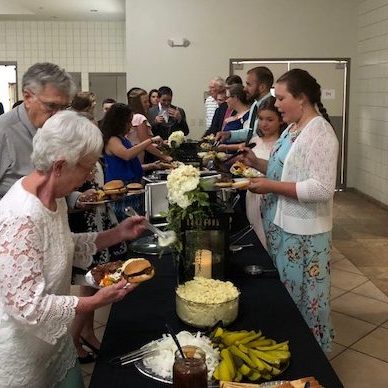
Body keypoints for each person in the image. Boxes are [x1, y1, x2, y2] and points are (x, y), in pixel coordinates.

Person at [0, 110, 147, 387]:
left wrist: (116, 233)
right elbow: (28, 307)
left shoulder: (54, 198)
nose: (90, 175)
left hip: (52, 340)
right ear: (59, 166)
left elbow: (63, 243)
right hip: (22, 356)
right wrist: (96, 301)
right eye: (87, 167)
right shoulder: (21, 217)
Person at [240, 69, 339, 351]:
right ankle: (291, 344)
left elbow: (321, 190)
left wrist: (270, 186)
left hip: (305, 232)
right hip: (284, 225)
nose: (277, 104)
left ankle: (311, 352)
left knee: (307, 296)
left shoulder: (320, 133)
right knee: (288, 293)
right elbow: (282, 171)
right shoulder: (295, 128)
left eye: (281, 98)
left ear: (302, 98)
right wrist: (257, 164)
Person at [0, 62, 76, 200]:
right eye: (51, 106)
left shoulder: (57, 130)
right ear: (28, 97)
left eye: (64, 107)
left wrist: (74, 198)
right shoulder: (4, 132)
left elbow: (52, 183)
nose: (57, 115)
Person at [101, 103, 162, 219]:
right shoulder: (112, 140)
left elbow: (129, 164)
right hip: (120, 194)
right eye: (128, 122)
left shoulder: (122, 138)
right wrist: (150, 141)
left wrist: (152, 166)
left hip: (132, 191)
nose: (130, 126)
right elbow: (127, 155)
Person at [244, 97, 284, 247]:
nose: (264, 124)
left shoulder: (281, 145)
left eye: (269, 119)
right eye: (260, 119)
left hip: (272, 196)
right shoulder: (255, 140)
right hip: (252, 195)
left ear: (280, 120)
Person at [216, 66, 273, 143]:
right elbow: (250, 131)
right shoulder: (255, 105)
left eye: (249, 85)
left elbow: (259, 135)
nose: (245, 89)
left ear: (262, 87)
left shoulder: (272, 106)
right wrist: (229, 134)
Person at [127, 88, 172, 163]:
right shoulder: (139, 118)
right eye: (145, 102)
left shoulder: (132, 116)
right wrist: (165, 156)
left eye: (148, 101)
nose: (148, 104)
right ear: (137, 104)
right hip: (136, 158)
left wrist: (160, 144)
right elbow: (145, 144)